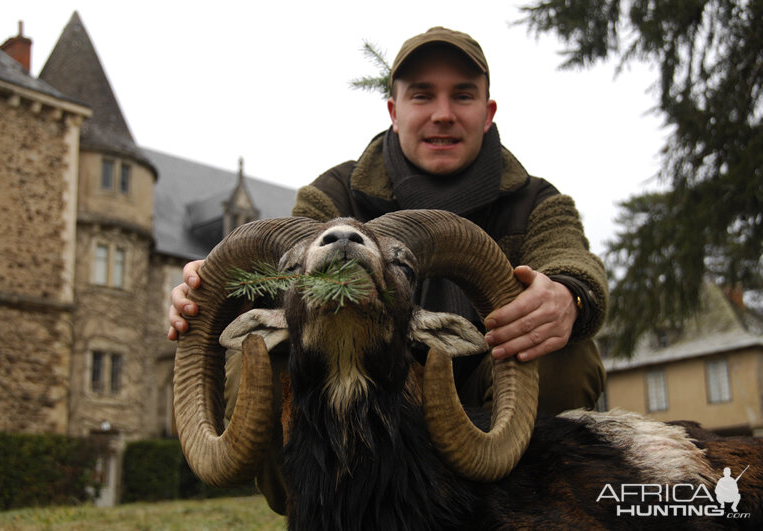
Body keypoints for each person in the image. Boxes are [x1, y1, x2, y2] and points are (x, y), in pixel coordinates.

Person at [169, 26, 608, 511]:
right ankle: (319, 509)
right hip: (361, 395)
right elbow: (283, 284)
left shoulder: (537, 202)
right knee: (260, 353)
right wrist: (206, 299)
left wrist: (567, 295)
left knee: (564, 350)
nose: (443, 114)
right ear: (394, 112)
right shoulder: (333, 195)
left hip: (485, 402)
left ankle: (525, 510)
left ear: (488, 113)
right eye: (422, 95)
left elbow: (570, 258)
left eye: (462, 95)